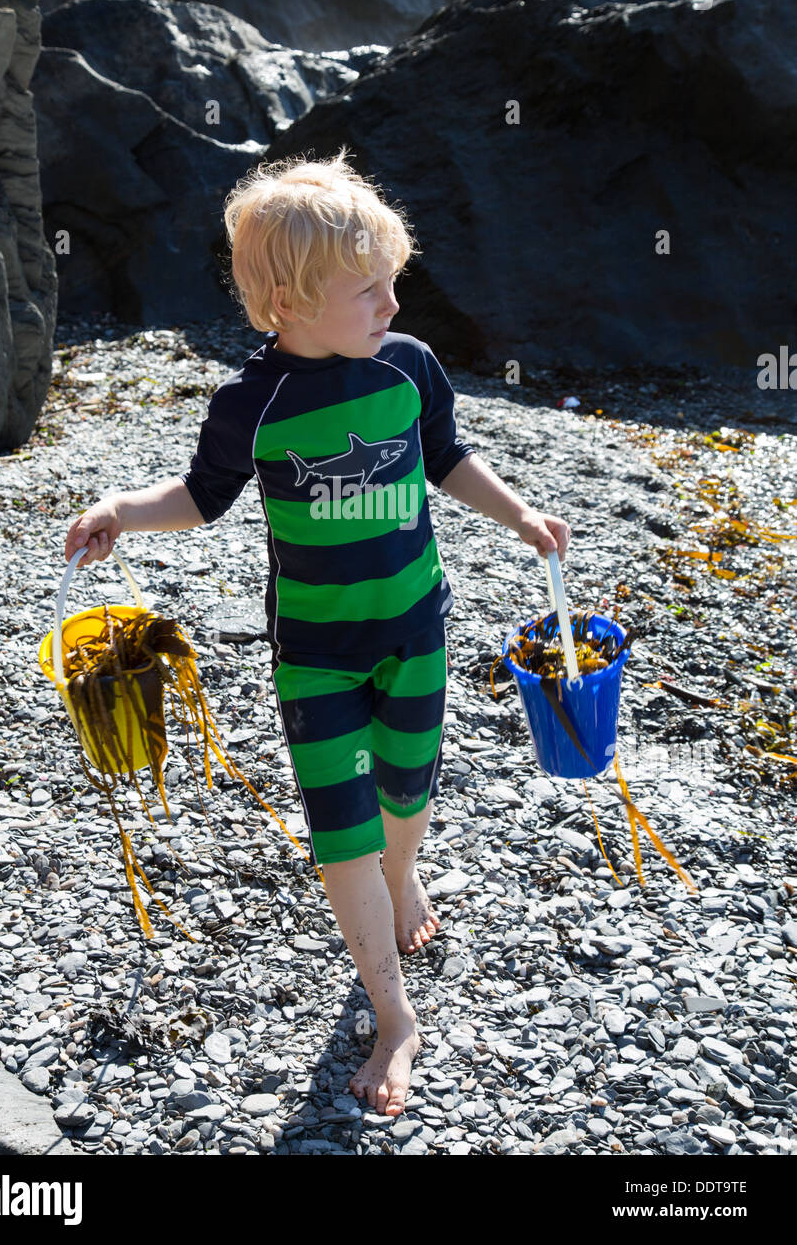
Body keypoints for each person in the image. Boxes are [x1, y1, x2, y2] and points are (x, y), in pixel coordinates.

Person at [64, 147, 570, 1117]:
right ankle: (392, 1015)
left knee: (406, 785)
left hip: (415, 626)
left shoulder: (409, 365)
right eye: (365, 290)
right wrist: (124, 510)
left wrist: (518, 516)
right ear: (286, 303)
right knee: (339, 831)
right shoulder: (250, 404)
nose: (389, 305)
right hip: (314, 652)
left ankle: (406, 869)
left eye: (392, 281)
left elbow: (446, 459)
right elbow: (199, 498)